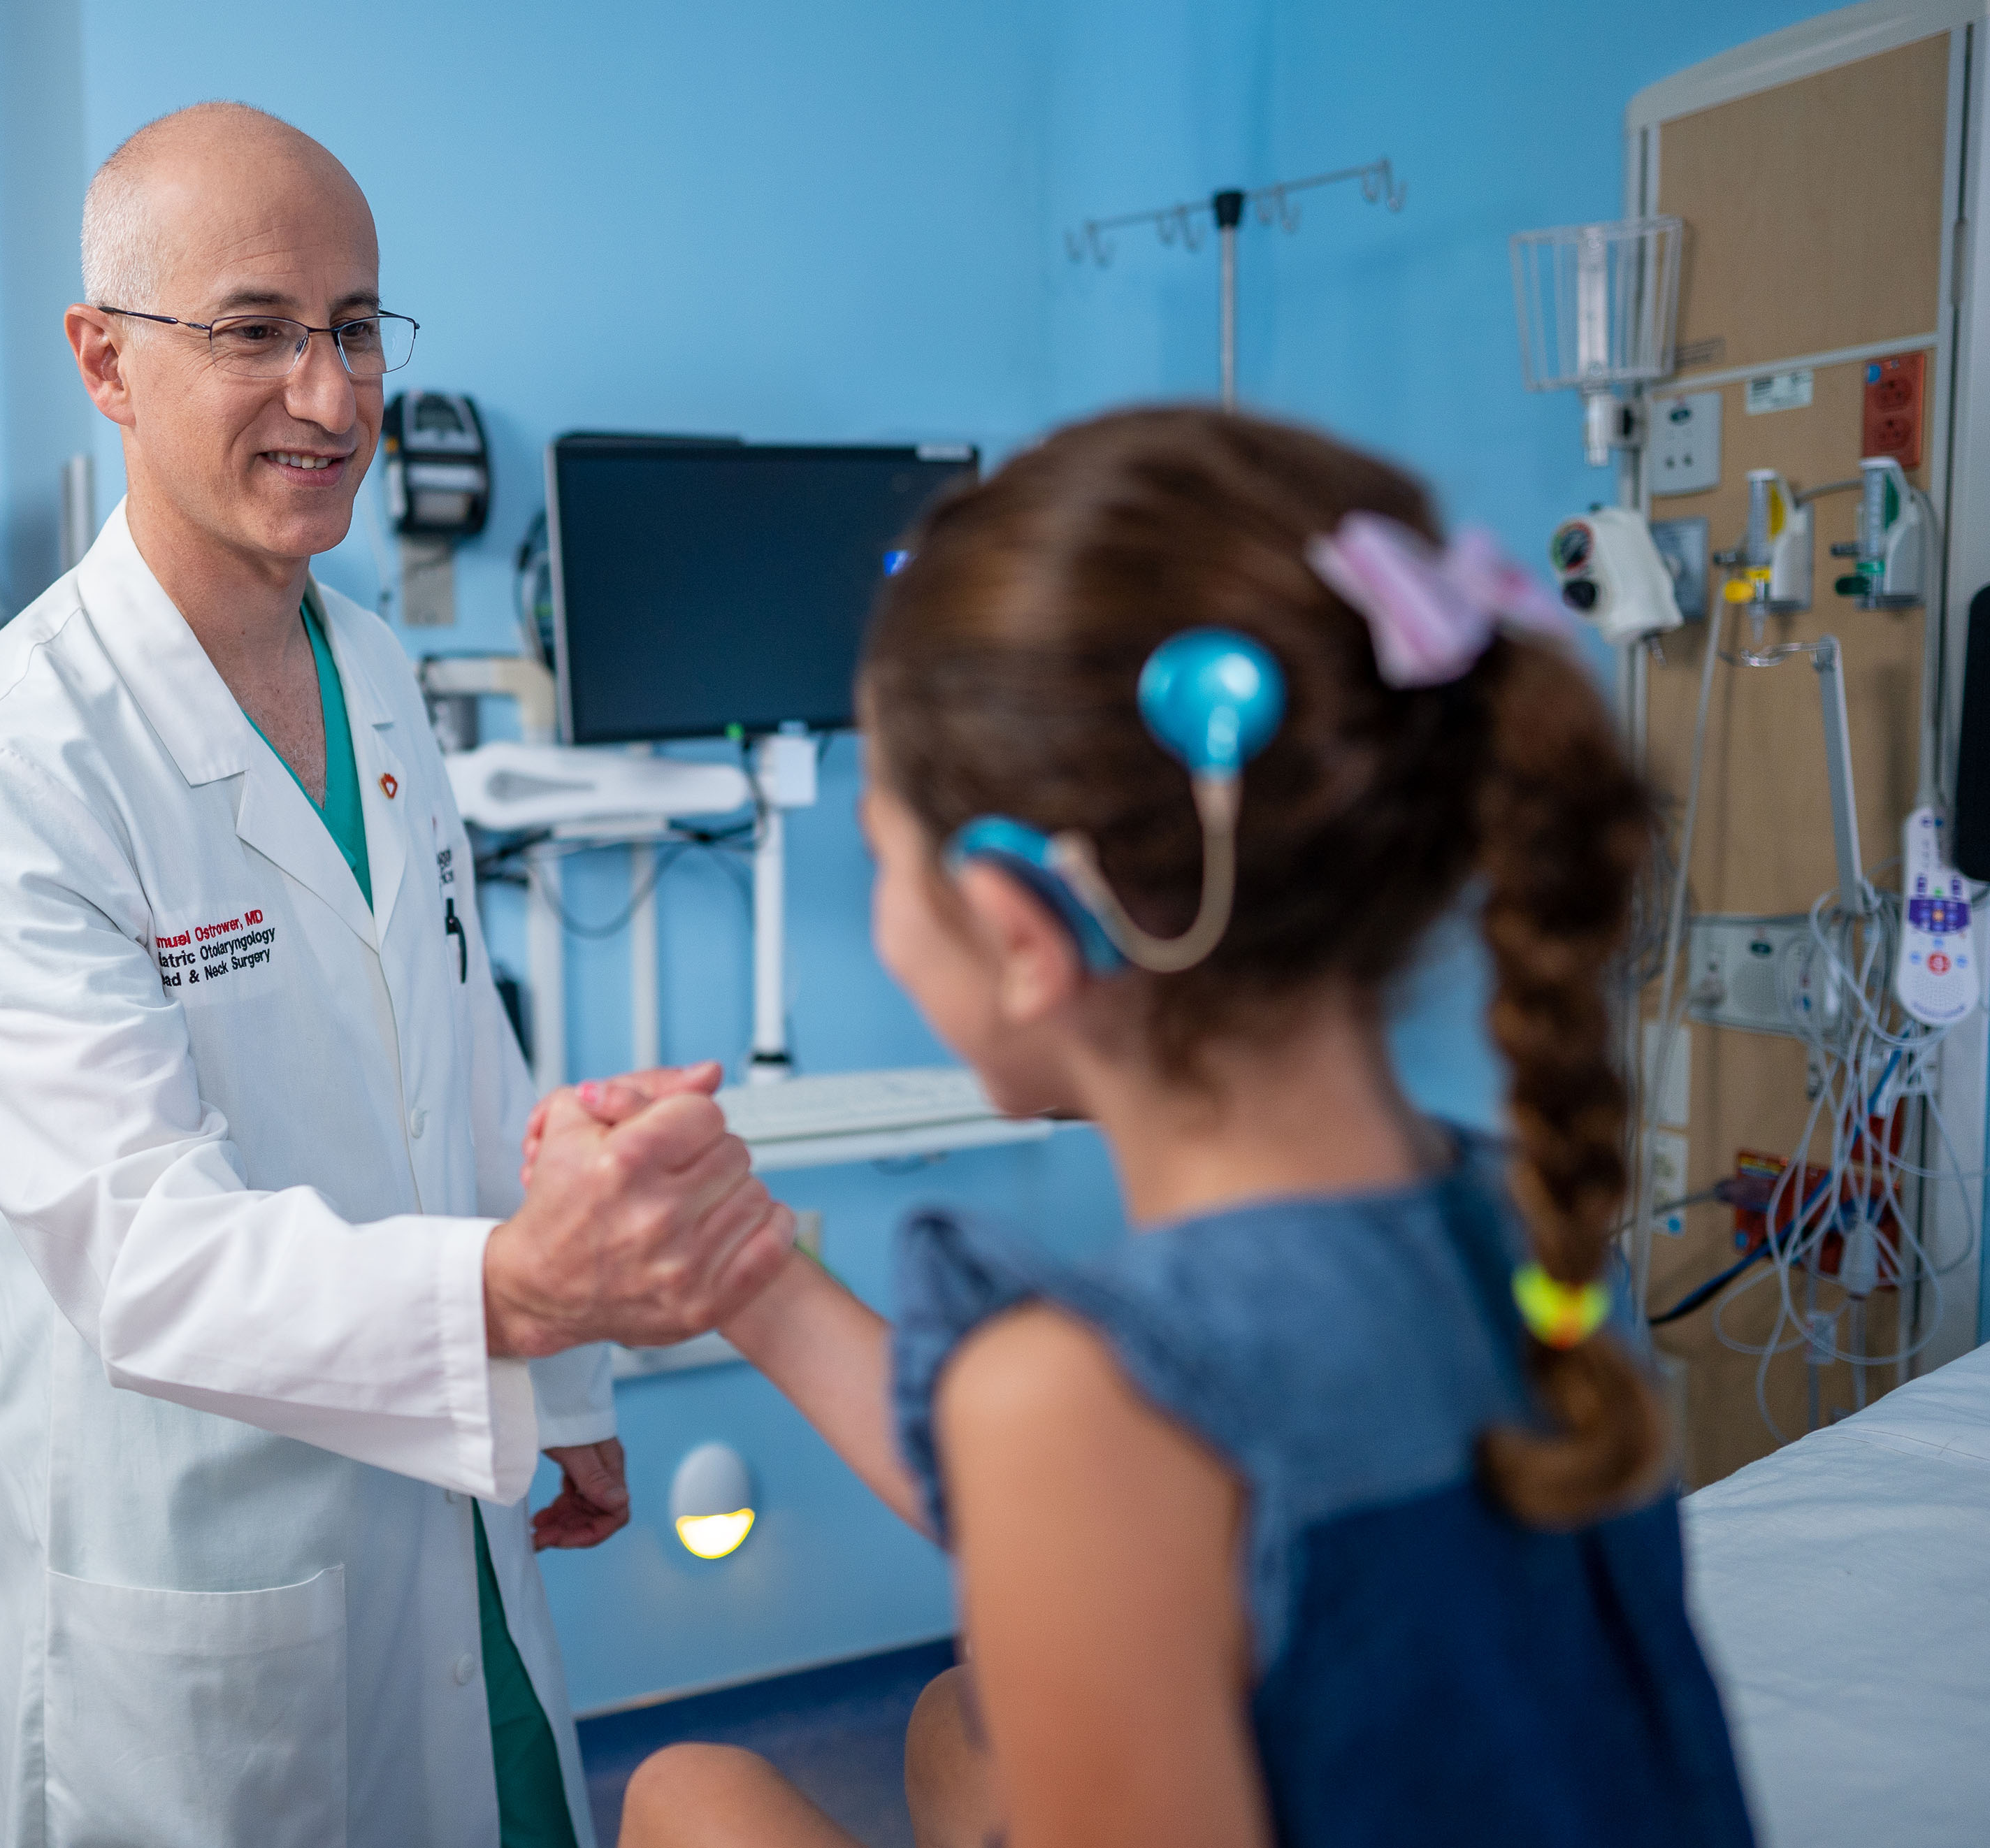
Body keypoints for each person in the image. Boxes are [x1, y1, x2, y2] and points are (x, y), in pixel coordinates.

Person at [607, 408, 1757, 1846]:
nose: (887, 920)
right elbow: (1181, 1517)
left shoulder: (1080, 1400)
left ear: (1024, 935)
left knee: (687, 1791)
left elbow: (1107, 1470)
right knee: (948, 1728)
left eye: (883, 862)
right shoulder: (1534, 1217)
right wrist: (751, 1266)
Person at [0, 103, 791, 1848]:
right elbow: (139, 1250)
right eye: (254, 330)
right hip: (219, 1557)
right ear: (105, 361)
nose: (329, 391)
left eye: (358, 325)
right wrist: (515, 1310)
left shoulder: (375, 668)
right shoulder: (4, 761)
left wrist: (574, 1377)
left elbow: (459, 1048)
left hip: (453, 1496)